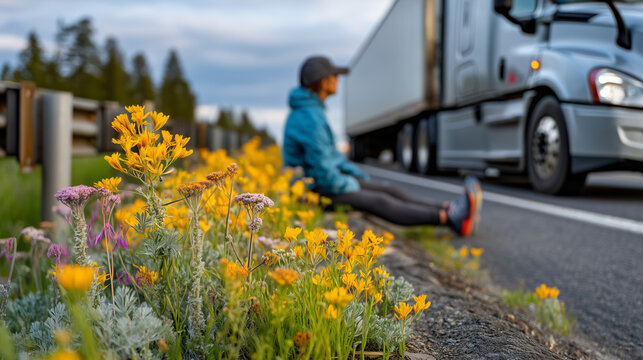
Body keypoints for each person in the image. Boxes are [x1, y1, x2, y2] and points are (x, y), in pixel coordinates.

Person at [283, 55, 482, 236]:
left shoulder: (311, 111)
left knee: (388, 190)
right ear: (322, 81)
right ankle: (451, 219)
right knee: (379, 200)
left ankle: (448, 208)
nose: (338, 80)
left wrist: (357, 176)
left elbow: (331, 159)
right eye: (334, 76)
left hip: (320, 185)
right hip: (312, 193)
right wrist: (353, 184)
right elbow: (323, 173)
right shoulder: (308, 117)